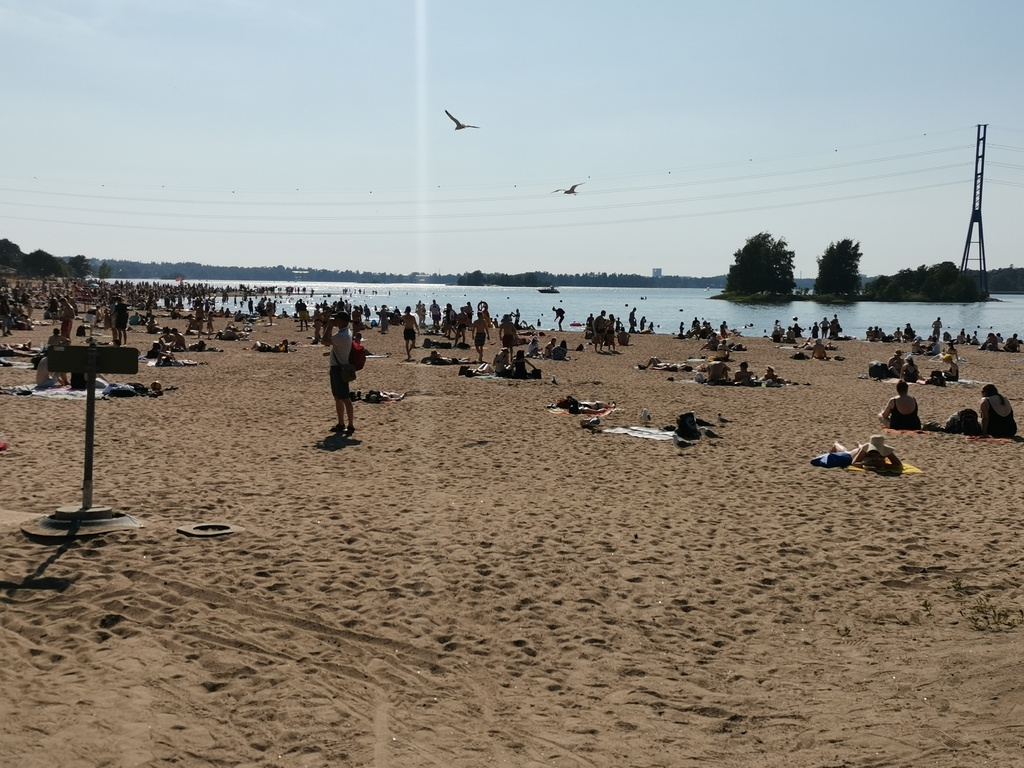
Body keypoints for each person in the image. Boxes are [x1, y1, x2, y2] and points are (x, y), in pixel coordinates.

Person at [325, 311, 355, 435]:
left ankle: (350, 424)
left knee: (345, 398)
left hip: (339, 368)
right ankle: (341, 423)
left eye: (336, 319)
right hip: (338, 367)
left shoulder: (342, 335)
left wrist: (329, 326)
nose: (335, 321)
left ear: (342, 321)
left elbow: (324, 341)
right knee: (338, 397)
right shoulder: (346, 332)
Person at [831, 435, 903, 471]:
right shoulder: (865, 449)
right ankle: (836, 444)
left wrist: (885, 466)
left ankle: (859, 444)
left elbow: (899, 465)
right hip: (852, 455)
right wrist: (872, 464)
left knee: (861, 447)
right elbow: (854, 463)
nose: (876, 453)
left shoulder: (886, 451)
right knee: (844, 452)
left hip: (863, 450)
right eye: (873, 451)